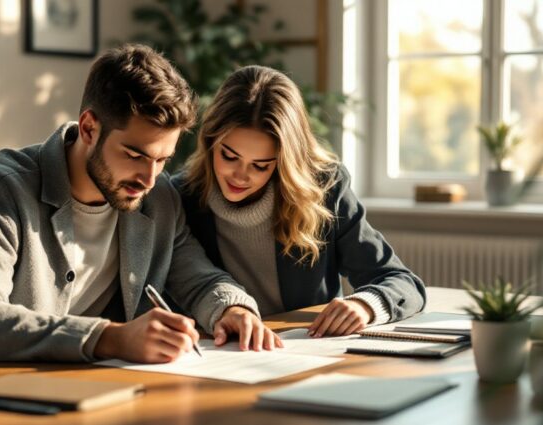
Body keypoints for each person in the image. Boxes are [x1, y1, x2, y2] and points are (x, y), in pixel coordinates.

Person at [0, 46, 282, 367]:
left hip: (78, 396)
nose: (149, 178)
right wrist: (109, 337)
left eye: (163, 160)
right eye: (135, 154)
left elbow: (199, 280)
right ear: (89, 128)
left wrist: (232, 308)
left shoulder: (158, 201)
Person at [173, 65, 425, 343]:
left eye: (260, 165)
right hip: (220, 355)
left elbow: (403, 282)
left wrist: (365, 305)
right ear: (210, 143)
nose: (241, 176)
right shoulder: (180, 196)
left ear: (284, 160)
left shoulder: (324, 188)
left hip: (306, 351)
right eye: (229, 156)